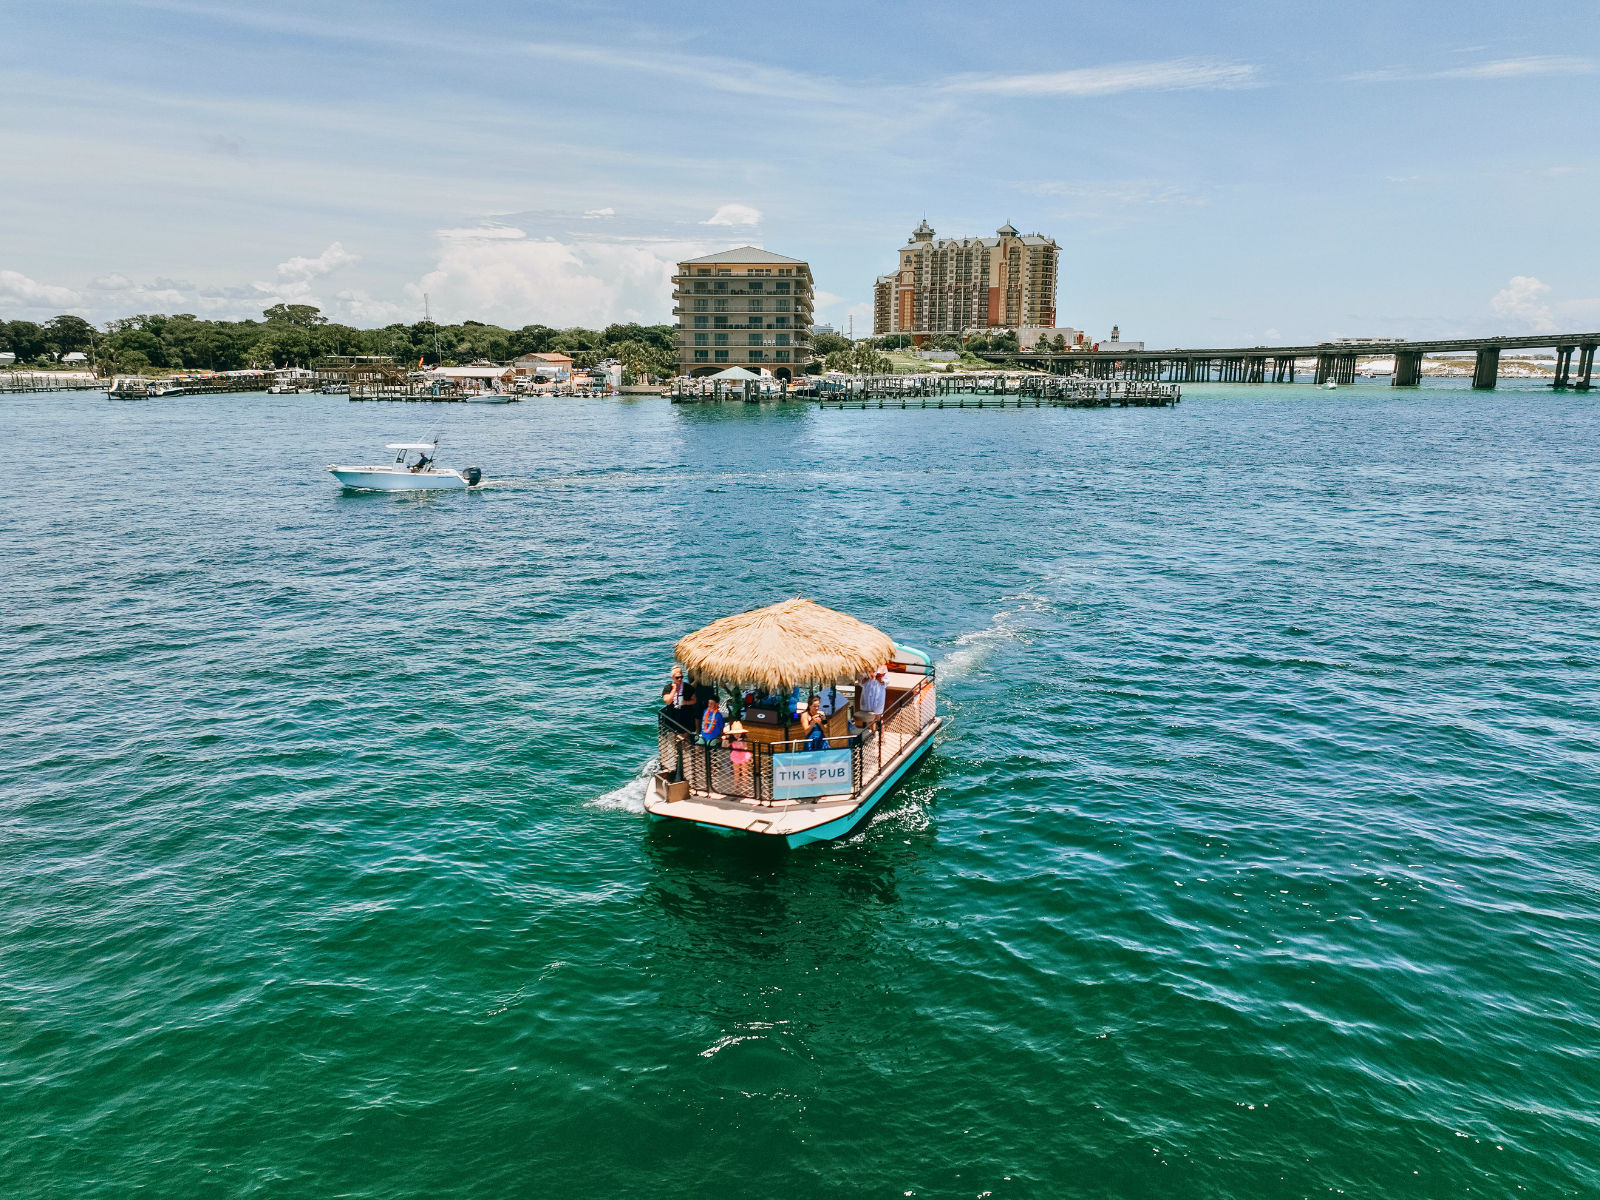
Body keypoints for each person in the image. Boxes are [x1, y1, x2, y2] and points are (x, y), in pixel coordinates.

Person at [661, 665, 697, 729]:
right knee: (672, 736)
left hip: (685, 717)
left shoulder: (688, 687)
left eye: (681, 677)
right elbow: (668, 701)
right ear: (673, 677)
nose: (680, 679)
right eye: (677, 677)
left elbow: (694, 700)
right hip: (671, 717)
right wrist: (673, 690)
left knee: (685, 737)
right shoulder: (668, 688)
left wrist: (685, 702)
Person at [856, 665, 887, 732]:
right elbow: (860, 682)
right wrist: (868, 678)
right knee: (869, 716)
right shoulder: (865, 668)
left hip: (878, 694)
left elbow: (887, 681)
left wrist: (880, 680)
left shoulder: (883, 668)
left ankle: (881, 735)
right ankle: (872, 732)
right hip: (867, 694)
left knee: (878, 717)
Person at [727, 720, 752, 793]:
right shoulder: (731, 740)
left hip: (743, 756)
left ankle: (745, 789)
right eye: (735, 733)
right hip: (735, 756)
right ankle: (735, 788)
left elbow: (745, 747)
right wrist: (725, 738)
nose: (737, 734)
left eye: (739, 733)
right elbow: (724, 745)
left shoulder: (743, 740)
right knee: (736, 773)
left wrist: (741, 742)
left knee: (745, 773)